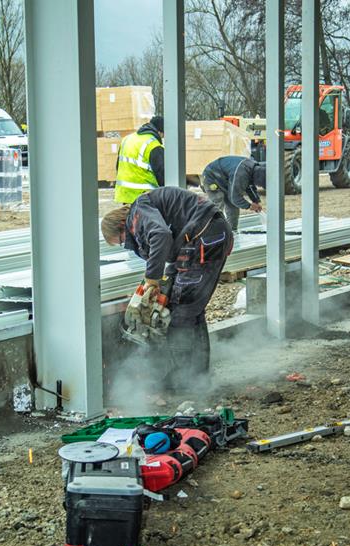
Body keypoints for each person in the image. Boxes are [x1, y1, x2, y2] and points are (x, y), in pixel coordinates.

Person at [101, 186, 233, 390]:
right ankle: (198, 376)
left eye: (120, 242)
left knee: (183, 313)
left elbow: (161, 236)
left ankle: (184, 379)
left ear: (121, 226)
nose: (125, 245)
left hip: (203, 238)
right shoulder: (143, 211)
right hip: (204, 236)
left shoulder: (138, 213)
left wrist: (151, 279)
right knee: (191, 311)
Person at [200, 156, 266, 232]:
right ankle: (211, 231)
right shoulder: (241, 173)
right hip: (211, 177)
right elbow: (235, 198)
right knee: (217, 203)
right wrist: (249, 206)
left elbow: (250, 186)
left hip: (225, 180)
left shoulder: (253, 169)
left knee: (233, 208)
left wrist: (256, 201)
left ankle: (232, 232)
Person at [114, 116, 164, 205]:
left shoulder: (127, 139)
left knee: (130, 218)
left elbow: (118, 166)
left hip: (125, 194)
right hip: (144, 196)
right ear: (159, 132)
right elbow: (162, 175)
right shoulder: (153, 145)